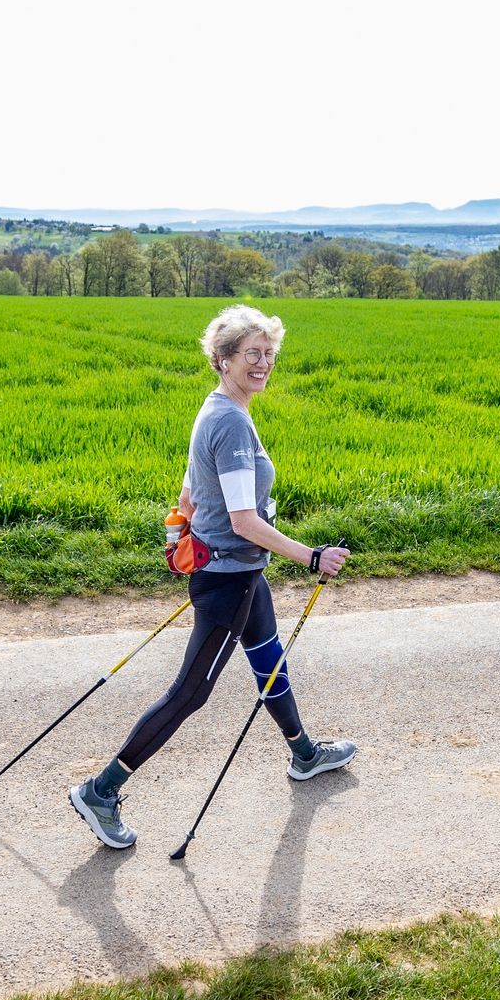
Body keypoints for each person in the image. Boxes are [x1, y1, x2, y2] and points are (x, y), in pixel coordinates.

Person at [69, 304, 355, 849]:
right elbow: (246, 521)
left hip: (240, 574)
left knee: (270, 659)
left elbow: (188, 492)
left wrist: (179, 531)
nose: (264, 363)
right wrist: (311, 556)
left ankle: (304, 754)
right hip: (229, 582)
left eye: (270, 353)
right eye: (252, 354)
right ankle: (100, 791)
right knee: (190, 694)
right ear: (223, 360)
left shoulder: (219, 411)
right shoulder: (231, 421)